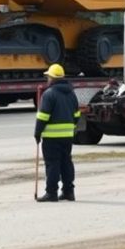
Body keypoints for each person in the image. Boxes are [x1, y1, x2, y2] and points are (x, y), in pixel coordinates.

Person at [34, 63, 80, 202]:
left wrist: (37, 132)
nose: (47, 79)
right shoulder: (71, 93)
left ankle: (51, 193)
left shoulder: (49, 94)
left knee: (52, 164)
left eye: (48, 76)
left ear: (52, 78)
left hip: (51, 137)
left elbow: (43, 117)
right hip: (67, 136)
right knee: (66, 163)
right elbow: (77, 115)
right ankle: (68, 192)